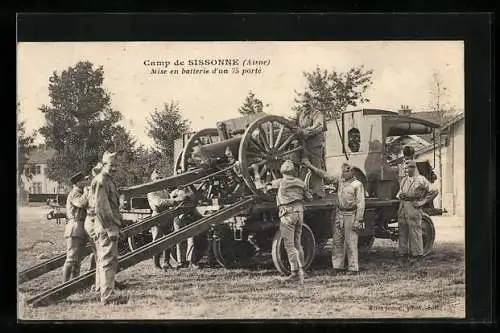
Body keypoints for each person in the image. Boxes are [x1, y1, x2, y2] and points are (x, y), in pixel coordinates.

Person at [302, 159, 365, 275]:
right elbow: (325, 176)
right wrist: (310, 166)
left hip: (351, 214)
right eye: (343, 171)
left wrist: (358, 220)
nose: (344, 174)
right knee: (337, 241)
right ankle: (337, 267)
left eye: (347, 171)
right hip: (339, 214)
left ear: (352, 172)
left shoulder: (357, 185)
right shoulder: (340, 181)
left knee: (351, 242)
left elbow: (361, 204)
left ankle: (353, 268)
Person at [267, 160, 313, 283]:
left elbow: (263, 188)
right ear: (293, 171)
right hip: (299, 213)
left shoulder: (279, 182)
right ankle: (303, 270)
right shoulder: (300, 182)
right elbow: (309, 198)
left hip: (287, 214)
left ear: (282, 171)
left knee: (289, 245)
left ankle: (294, 272)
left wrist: (256, 172)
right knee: (298, 243)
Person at [93, 151, 128, 305]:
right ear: (103, 164)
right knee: (108, 260)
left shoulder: (108, 180)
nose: (114, 168)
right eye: (111, 165)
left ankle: (102, 291)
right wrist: (110, 228)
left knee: (104, 259)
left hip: (108, 225)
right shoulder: (102, 181)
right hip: (106, 226)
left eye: (116, 165)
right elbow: (101, 208)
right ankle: (108, 297)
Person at [396, 160, 438, 264]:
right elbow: (399, 193)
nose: (407, 169)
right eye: (406, 168)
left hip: (413, 207)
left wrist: (422, 202)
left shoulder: (421, 179)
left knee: (415, 231)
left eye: (409, 167)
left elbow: (434, 190)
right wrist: (400, 196)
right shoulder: (404, 180)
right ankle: (403, 255)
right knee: (403, 232)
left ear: (414, 168)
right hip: (403, 207)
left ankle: (417, 255)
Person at [147, 170, 185, 270]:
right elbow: (158, 203)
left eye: (160, 178)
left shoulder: (163, 190)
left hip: (166, 216)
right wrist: (174, 201)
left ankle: (166, 262)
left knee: (168, 240)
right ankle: (156, 265)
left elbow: (169, 196)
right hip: (157, 217)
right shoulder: (152, 190)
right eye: (157, 178)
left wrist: (177, 192)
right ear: (153, 180)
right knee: (157, 241)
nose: (159, 180)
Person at [62, 172, 89, 282]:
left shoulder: (80, 192)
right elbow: (81, 204)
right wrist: (87, 192)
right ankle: (65, 285)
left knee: (78, 259)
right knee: (71, 259)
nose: (86, 182)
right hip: (75, 227)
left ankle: (73, 283)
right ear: (78, 183)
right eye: (84, 180)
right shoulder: (75, 193)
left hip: (80, 226)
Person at [296, 107, 327, 198]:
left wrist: (304, 131)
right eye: (303, 102)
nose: (305, 104)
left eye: (307, 102)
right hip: (303, 144)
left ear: (311, 101)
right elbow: (292, 124)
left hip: (315, 144)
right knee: (302, 167)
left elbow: (318, 126)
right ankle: (301, 191)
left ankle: (318, 192)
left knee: (315, 166)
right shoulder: (300, 114)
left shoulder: (317, 114)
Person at [83, 162, 102, 292]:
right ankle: (98, 284)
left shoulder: (90, 189)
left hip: (91, 222)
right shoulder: (95, 189)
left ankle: (98, 282)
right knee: (100, 255)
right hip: (94, 222)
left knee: (97, 255)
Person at [172, 188, 200, 269]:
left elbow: (194, 206)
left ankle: (191, 261)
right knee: (179, 241)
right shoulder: (175, 192)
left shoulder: (192, 191)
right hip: (178, 219)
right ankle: (181, 262)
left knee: (191, 241)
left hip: (189, 218)